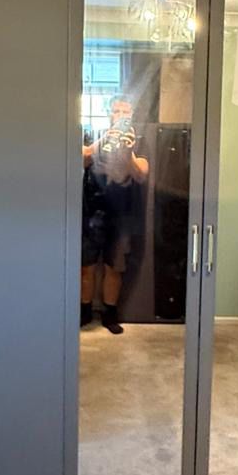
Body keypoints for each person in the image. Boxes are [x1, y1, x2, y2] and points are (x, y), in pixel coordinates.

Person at [81, 97, 149, 334]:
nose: (120, 115)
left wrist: (128, 151)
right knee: (86, 266)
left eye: (125, 112)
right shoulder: (92, 135)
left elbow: (141, 174)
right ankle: (85, 311)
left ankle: (110, 314)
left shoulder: (138, 140)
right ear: (108, 114)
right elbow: (82, 158)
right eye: (116, 110)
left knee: (114, 267)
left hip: (120, 212)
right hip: (91, 209)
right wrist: (107, 138)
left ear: (131, 116)